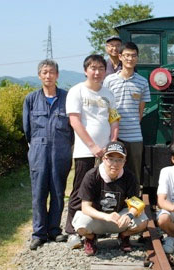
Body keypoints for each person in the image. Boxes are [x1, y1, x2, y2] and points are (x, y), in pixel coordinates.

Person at [65, 54, 120, 249]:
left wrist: (112, 144)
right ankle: (72, 231)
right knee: (80, 189)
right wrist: (93, 147)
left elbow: (114, 119)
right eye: (93, 68)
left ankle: (93, 229)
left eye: (101, 69)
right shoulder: (76, 91)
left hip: (107, 152)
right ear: (85, 70)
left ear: (105, 71)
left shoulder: (108, 94)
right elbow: (75, 121)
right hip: (84, 151)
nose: (97, 72)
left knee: (103, 190)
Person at [23, 59, 73, 250]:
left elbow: (73, 127)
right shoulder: (31, 99)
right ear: (39, 75)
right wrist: (36, 145)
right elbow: (27, 129)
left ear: (57, 75)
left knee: (58, 192)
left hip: (61, 151)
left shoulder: (67, 98)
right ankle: (38, 233)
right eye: (44, 72)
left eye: (51, 72)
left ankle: (54, 230)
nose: (48, 76)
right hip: (38, 150)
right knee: (39, 193)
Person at [72, 141, 148, 256]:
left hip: (119, 217)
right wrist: (106, 216)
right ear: (104, 159)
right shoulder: (92, 175)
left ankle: (124, 236)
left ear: (124, 161)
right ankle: (91, 238)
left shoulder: (129, 176)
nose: (115, 164)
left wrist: (129, 215)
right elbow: (85, 207)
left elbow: (136, 202)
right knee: (80, 225)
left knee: (142, 221)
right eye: (111, 159)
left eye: (119, 160)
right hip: (98, 217)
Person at [103, 42, 151, 192]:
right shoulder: (109, 80)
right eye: (127, 55)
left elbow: (140, 112)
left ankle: (134, 202)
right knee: (111, 169)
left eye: (133, 55)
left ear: (137, 58)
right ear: (120, 57)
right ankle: (111, 199)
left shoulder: (142, 82)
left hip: (135, 135)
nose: (130, 58)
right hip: (113, 135)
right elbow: (105, 108)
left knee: (134, 172)